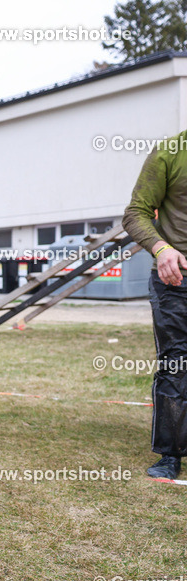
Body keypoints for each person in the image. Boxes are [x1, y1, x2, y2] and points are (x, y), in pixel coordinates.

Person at [122, 128, 187, 480]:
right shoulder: (171, 153)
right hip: (177, 280)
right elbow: (135, 213)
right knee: (177, 365)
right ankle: (171, 454)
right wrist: (162, 248)